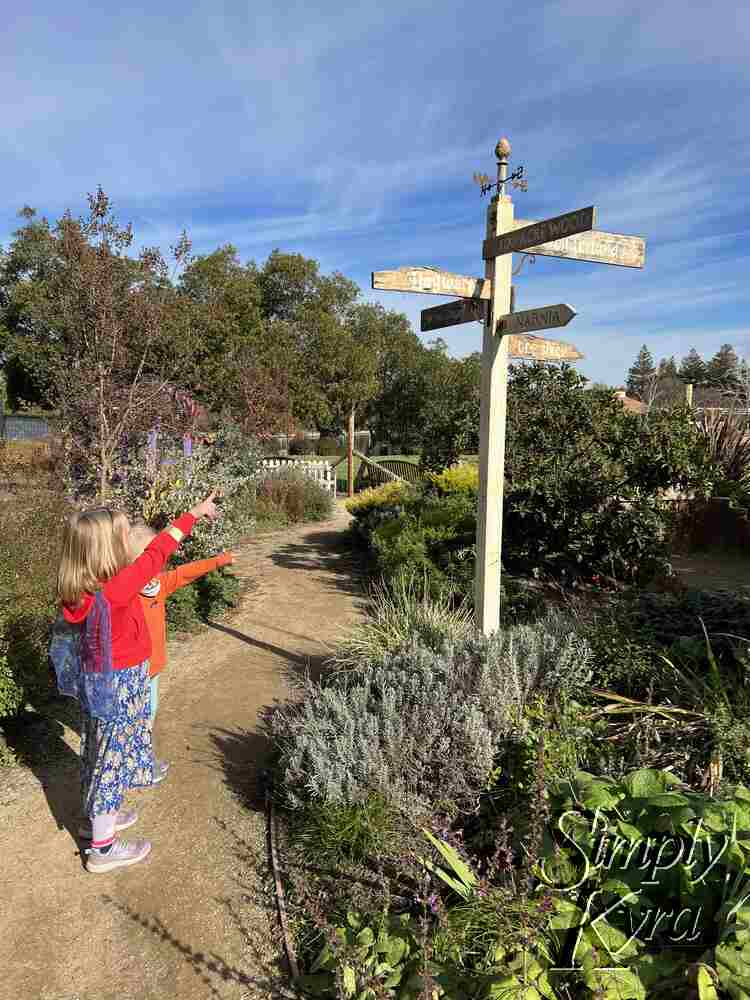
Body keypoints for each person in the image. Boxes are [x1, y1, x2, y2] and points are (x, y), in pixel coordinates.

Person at [53, 493, 218, 873]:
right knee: (112, 760)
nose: (132, 542)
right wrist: (193, 514)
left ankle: (92, 821)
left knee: (96, 752)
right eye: (125, 536)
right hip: (121, 686)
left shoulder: (80, 590)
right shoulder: (116, 589)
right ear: (109, 550)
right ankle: (103, 849)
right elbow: (157, 552)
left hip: (97, 683)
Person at [127, 519, 234, 734]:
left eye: (155, 558)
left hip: (153, 667)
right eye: (146, 558)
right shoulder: (125, 592)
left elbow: (186, 572)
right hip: (130, 671)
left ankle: (143, 757)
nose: (154, 564)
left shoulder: (159, 585)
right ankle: (135, 759)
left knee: (150, 711)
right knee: (132, 718)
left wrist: (218, 561)